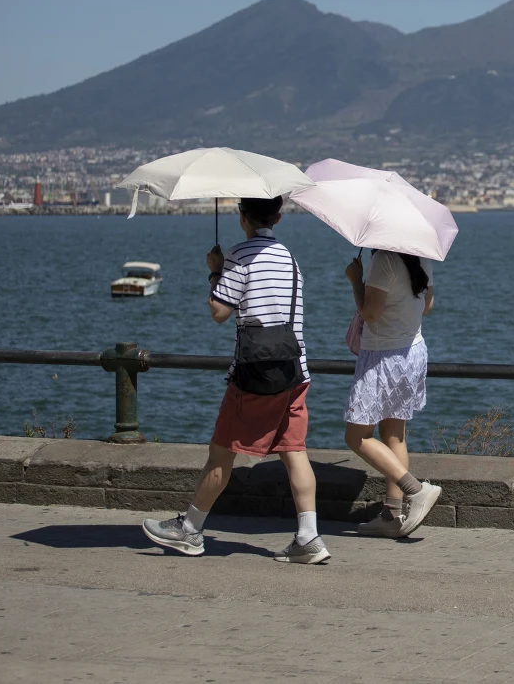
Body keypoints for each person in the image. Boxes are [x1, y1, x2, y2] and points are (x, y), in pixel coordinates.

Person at [142, 196, 329, 564]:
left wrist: (215, 271)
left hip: (256, 375)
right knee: (294, 451)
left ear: (241, 216)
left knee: (222, 452)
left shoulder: (239, 255)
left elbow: (219, 312)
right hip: (295, 370)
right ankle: (308, 538)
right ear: (277, 217)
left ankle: (191, 530)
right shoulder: (290, 259)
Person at [343, 248, 441, 537]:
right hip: (411, 352)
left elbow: (371, 314)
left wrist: (355, 281)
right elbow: (428, 305)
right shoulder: (422, 257)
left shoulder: (383, 260)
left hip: (382, 355)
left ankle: (416, 491)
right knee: (393, 434)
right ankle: (391, 515)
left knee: (356, 436)